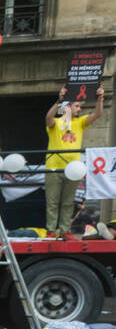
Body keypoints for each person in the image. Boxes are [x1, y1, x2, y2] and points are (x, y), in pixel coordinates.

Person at [45, 84, 104, 238]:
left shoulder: (80, 122)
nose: (80, 109)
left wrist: (100, 98)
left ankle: (65, 231)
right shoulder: (56, 123)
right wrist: (59, 100)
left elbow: (98, 113)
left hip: (73, 170)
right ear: (67, 108)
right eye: (77, 106)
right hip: (54, 168)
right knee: (52, 202)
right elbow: (48, 118)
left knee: (68, 203)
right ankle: (51, 231)